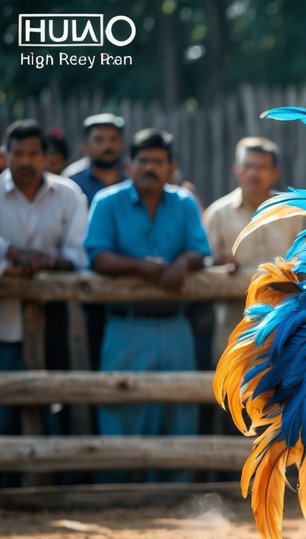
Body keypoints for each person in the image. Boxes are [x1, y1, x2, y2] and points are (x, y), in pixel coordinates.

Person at [84, 128, 210, 483]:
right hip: (126, 326)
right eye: (143, 161)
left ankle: (175, 496)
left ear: (172, 168)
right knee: (122, 409)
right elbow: (96, 255)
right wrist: (142, 266)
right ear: (129, 165)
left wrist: (181, 263)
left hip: (175, 326)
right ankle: (118, 495)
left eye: (158, 161)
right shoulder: (107, 202)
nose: (149, 168)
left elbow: (201, 251)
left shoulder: (184, 204)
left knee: (178, 412)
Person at [0, 120, 88, 446]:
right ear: (5, 155)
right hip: (2, 322)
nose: (25, 161)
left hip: (57, 319)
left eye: (32, 153)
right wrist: (13, 253)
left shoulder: (67, 195)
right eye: (18, 153)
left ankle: (60, 484)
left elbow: (79, 253)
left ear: (45, 156)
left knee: (58, 406)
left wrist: (46, 263)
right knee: (5, 412)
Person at [204, 136, 305, 355]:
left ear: (275, 173)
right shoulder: (217, 214)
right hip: (233, 323)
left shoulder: (292, 212)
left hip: (284, 322)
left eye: (261, 167)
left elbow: (305, 258)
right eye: (248, 166)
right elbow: (203, 262)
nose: (254, 173)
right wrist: (217, 261)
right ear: (237, 170)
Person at [65, 113, 129, 371]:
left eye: (113, 139)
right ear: (86, 146)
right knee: (88, 361)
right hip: (86, 287)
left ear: (122, 144)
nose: (107, 145)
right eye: (99, 139)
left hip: (131, 284)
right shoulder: (72, 184)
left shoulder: (135, 179)